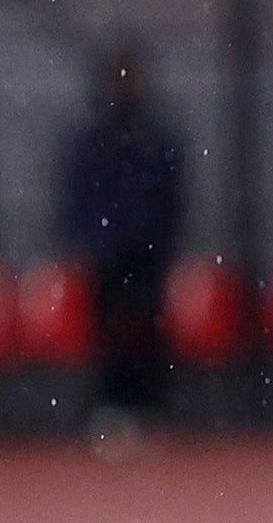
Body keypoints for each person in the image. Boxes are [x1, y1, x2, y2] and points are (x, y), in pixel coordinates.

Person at [57, 45, 185, 426]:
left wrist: (154, 239)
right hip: (107, 256)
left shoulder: (154, 137)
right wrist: (93, 242)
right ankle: (111, 406)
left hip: (146, 253)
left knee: (147, 331)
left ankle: (149, 406)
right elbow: (78, 195)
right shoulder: (92, 138)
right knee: (109, 334)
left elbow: (170, 197)